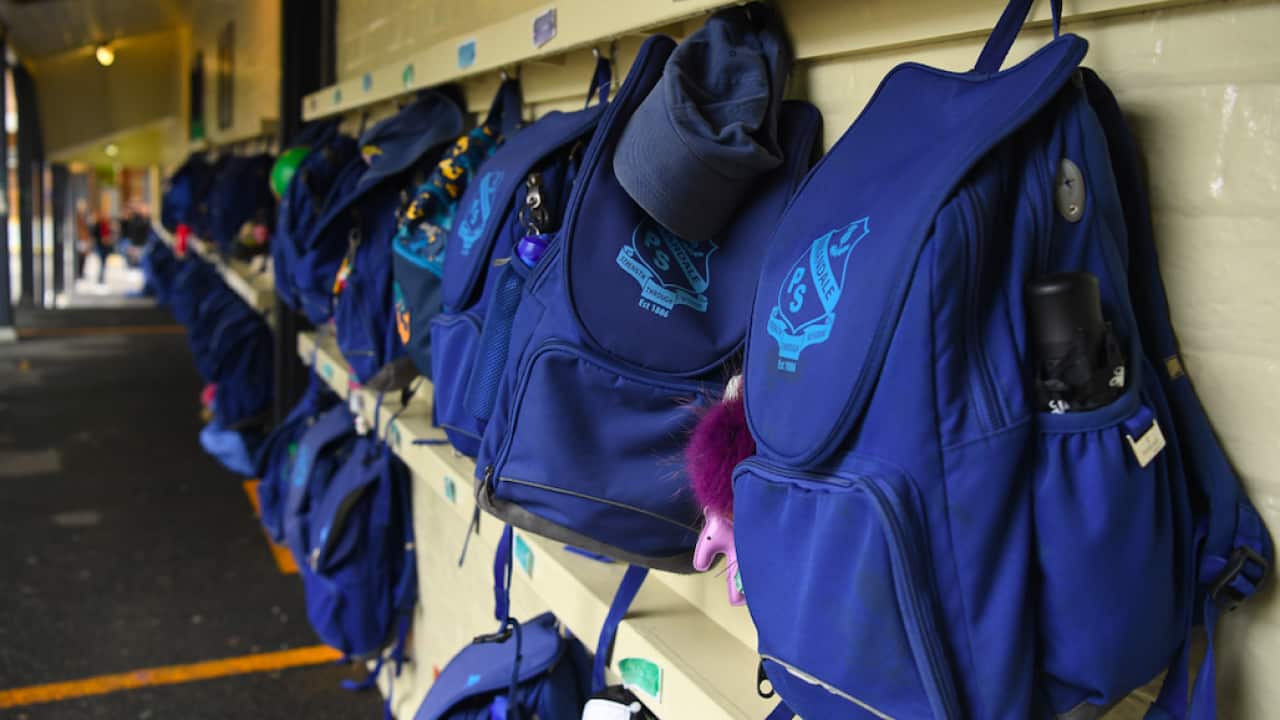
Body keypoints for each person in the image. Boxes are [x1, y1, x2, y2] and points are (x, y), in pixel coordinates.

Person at [90, 211, 114, 285]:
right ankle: (101, 278)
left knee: (103, 262)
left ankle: (101, 277)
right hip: (100, 246)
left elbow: (109, 235)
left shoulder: (107, 225)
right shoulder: (98, 225)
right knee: (102, 262)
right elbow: (95, 235)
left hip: (105, 246)